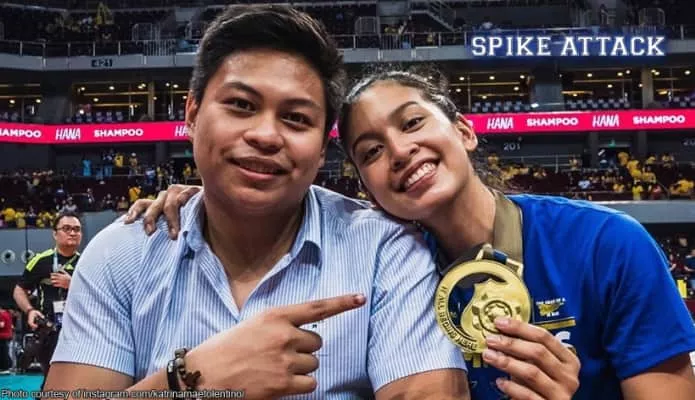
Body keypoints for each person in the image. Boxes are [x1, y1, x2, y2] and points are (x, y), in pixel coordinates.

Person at [131, 70, 695, 400]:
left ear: (465, 131)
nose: (400, 152)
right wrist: (209, 198)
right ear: (367, 188)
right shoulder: (382, 263)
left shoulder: (607, 245)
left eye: (413, 122)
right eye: (371, 151)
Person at [43, 6, 470, 400]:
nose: (266, 135)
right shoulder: (120, 255)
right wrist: (189, 380)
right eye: (241, 105)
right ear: (191, 114)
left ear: (323, 148)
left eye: (296, 118)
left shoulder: (387, 249)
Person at [12, 210, 81, 380]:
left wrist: (73, 284)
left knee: (77, 380)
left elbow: (98, 294)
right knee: (53, 379)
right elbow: (19, 290)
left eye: (77, 229)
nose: (72, 233)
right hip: (50, 331)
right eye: (66, 228)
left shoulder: (87, 261)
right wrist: (30, 311)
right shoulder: (40, 261)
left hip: (80, 330)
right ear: (55, 234)